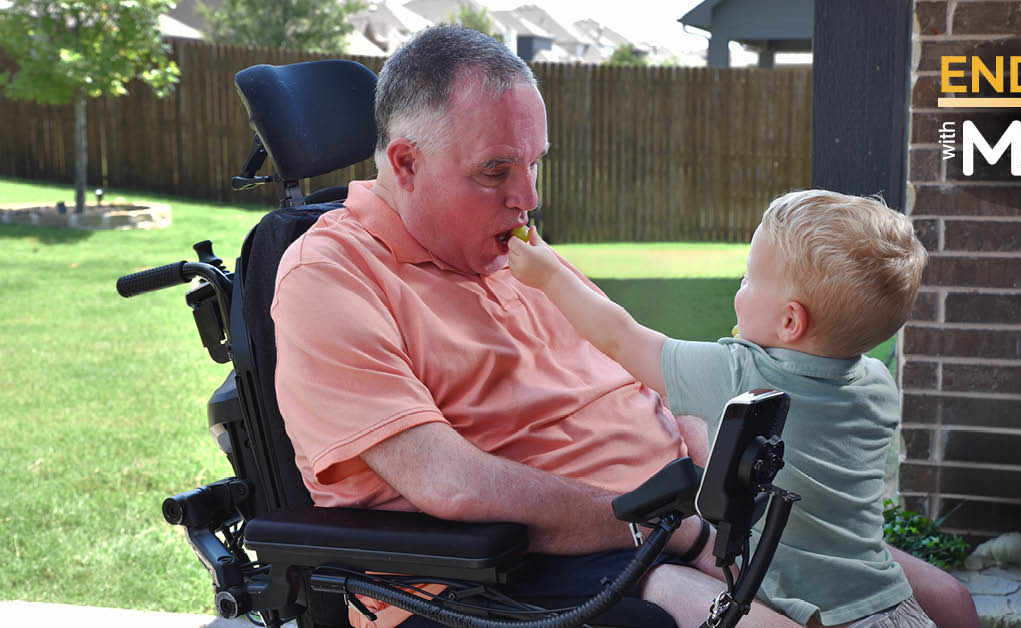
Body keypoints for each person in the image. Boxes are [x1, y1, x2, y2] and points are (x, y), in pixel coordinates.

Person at [272, 24, 978, 628]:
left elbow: (648, 384)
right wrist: (668, 529)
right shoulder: (332, 278)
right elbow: (449, 484)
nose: (528, 198)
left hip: (678, 516)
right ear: (405, 162)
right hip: (525, 567)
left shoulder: (516, 255)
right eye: (495, 172)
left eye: (533, 163)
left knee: (947, 604)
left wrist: (724, 480)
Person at [508, 189, 967, 628]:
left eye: (748, 279)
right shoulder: (876, 383)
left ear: (790, 321)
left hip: (821, 614)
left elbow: (620, 337)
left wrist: (548, 274)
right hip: (890, 602)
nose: (739, 288)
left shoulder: (740, 374)